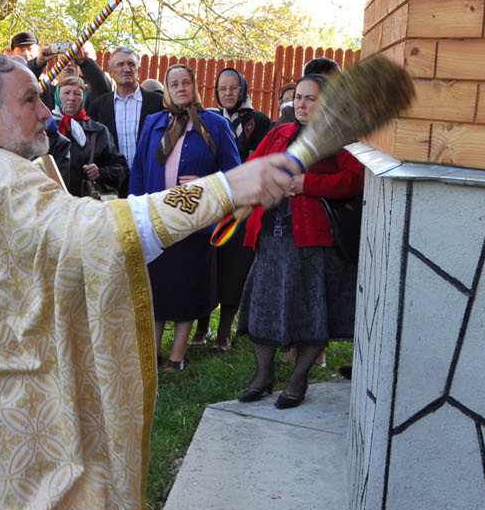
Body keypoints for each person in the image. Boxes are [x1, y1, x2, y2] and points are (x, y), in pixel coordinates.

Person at [0, 55, 297, 510]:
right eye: (30, 100)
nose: (46, 112)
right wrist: (226, 189)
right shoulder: (2, 183)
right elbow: (103, 234)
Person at [237, 73, 365, 409]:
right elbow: (252, 165)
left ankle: (298, 379)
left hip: (311, 240)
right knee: (263, 307)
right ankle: (263, 376)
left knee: (311, 311)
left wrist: (307, 185)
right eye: (298, 97)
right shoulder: (278, 132)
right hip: (271, 235)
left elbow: (355, 179)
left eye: (311, 98)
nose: (302, 104)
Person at [129, 64, 240, 371]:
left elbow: (234, 171)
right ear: (166, 89)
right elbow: (139, 169)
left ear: (194, 86)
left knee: (187, 287)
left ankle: (177, 355)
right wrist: (135, 210)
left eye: (185, 83)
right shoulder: (153, 123)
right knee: (157, 287)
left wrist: (205, 183)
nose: (180, 88)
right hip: (157, 220)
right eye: (174, 84)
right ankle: (153, 353)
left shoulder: (214, 124)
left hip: (195, 223)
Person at [208, 66, 274, 351]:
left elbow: (260, 160)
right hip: (213, 201)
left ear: (243, 89)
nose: (227, 93)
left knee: (234, 267)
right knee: (208, 263)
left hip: (243, 206)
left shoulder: (258, 121)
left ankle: (224, 331)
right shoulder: (209, 119)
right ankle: (201, 326)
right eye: (222, 88)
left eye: (233, 87)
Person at [89, 45, 164, 197]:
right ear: (111, 71)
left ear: (138, 70)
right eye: (120, 64)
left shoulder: (158, 103)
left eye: (131, 64)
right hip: (112, 186)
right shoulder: (99, 106)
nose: (127, 69)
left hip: (148, 184)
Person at [48, 74, 127, 198]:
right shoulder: (46, 129)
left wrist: (100, 172)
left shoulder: (98, 131)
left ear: (84, 97)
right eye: (66, 93)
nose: (72, 98)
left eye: (77, 94)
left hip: (86, 202)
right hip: (53, 201)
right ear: (57, 96)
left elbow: (121, 168)